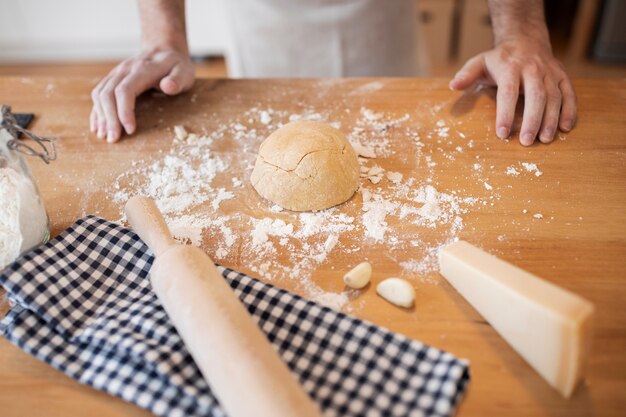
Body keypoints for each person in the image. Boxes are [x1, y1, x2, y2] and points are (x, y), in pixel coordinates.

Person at [90, 0, 576, 147]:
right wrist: (162, 39)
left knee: (393, 135)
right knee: (273, 137)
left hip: (378, 17)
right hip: (264, 19)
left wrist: (521, 30)